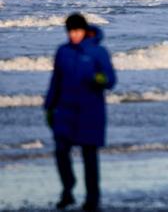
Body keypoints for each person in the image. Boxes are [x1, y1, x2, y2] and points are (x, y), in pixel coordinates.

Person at [44, 13, 117, 211]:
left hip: (90, 112)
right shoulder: (62, 52)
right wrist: (48, 106)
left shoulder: (98, 52)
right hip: (65, 110)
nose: (74, 35)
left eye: (77, 31)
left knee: (89, 156)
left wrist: (99, 79)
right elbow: (55, 81)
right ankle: (68, 190)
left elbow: (111, 80)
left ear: (84, 30)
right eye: (70, 31)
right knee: (61, 152)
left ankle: (92, 198)